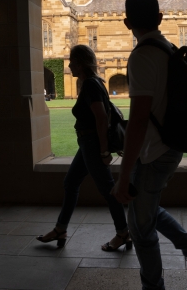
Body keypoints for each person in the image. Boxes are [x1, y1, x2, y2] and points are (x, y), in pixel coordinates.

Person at [112, 0, 187, 290]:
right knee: (148, 209)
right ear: (160, 18)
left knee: (139, 227)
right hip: (171, 146)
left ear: (127, 22)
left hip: (155, 151)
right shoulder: (169, 49)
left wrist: (123, 172)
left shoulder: (142, 55)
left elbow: (139, 119)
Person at [37, 45, 131, 252]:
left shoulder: (90, 84)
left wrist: (104, 151)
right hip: (87, 144)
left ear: (80, 63)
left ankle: (123, 233)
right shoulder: (95, 82)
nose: (69, 65)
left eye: (72, 61)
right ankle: (61, 229)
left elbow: (101, 118)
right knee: (70, 183)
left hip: (92, 144)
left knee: (108, 190)